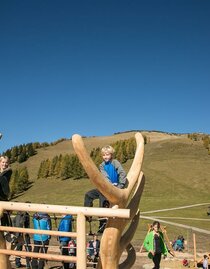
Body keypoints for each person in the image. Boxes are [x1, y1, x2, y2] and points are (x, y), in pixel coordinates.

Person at [84, 145, 127, 212]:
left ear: (111, 155)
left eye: (107, 154)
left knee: (103, 194)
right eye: (104, 155)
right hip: (105, 187)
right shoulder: (102, 165)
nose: (105, 157)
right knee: (88, 195)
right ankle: (87, 215)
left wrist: (120, 185)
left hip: (115, 187)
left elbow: (122, 173)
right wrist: (107, 186)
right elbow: (105, 176)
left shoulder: (115, 162)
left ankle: (103, 218)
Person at [0, 156, 13, 226]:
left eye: (6, 162)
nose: (4, 164)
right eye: (3, 162)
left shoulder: (8, 171)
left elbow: (2, 179)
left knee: (4, 216)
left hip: (3, 195)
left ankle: (7, 231)